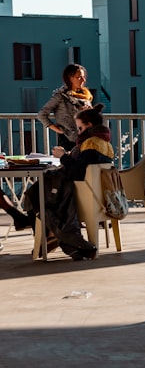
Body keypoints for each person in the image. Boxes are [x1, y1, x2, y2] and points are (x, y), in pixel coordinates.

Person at [9, 104, 114, 260]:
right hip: (96, 195)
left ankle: (53, 236)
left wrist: (63, 156)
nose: (78, 132)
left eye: (79, 128)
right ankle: (56, 237)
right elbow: (85, 166)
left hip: (81, 195)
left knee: (35, 195)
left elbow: (78, 172)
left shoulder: (91, 144)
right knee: (38, 193)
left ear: (89, 126)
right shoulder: (103, 143)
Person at [37, 64, 93, 150]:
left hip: (87, 138)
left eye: (83, 77)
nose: (83, 80)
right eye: (79, 77)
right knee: (71, 162)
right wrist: (59, 130)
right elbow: (41, 115)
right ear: (70, 78)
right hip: (69, 139)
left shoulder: (85, 95)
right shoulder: (60, 96)